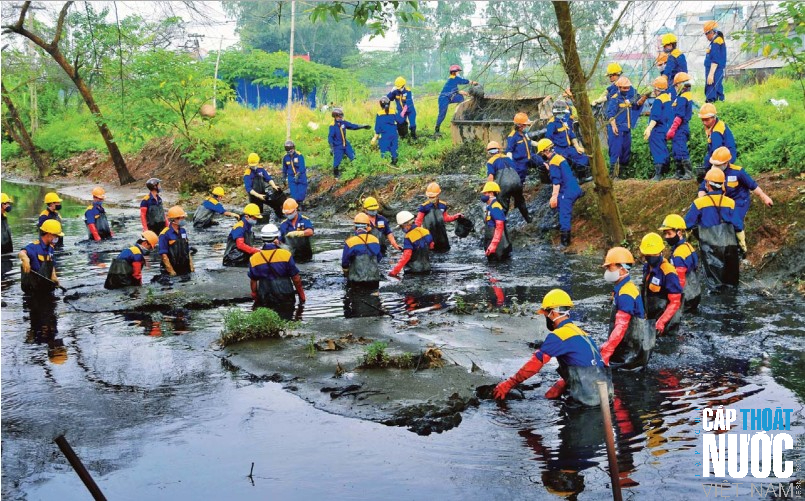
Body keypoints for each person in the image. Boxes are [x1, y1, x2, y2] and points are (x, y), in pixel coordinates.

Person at [493, 289, 609, 406]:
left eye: (545, 314)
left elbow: (533, 365)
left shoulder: (558, 336)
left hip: (586, 401)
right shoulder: (584, 334)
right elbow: (583, 367)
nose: (545, 318)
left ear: (552, 313)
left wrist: (509, 383)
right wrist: (555, 390)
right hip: (605, 397)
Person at [699, 146, 773, 256]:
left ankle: (741, 248)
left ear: (726, 163)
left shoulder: (738, 172)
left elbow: (753, 185)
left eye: (718, 165)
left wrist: (764, 197)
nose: (715, 167)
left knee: (734, 221)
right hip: (722, 202)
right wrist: (703, 202)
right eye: (714, 164)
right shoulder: (712, 173)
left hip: (739, 202)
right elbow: (702, 189)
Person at [685, 168, 743, 286]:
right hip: (730, 248)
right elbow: (738, 226)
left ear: (707, 184)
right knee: (731, 283)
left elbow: (687, 224)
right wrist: (743, 246)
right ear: (722, 185)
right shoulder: (730, 202)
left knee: (714, 284)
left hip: (710, 249)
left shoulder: (699, 203)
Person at [599, 247, 653, 371]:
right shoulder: (624, 287)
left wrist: (607, 351)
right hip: (628, 345)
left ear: (622, 270)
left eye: (609, 267)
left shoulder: (626, 294)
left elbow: (621, 326)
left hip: (631, 354)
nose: (607, 271)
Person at [248, 224, 306, 312]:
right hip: (285, 294)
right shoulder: (285, 255)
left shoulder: (254, 258)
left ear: (262, 238)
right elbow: (296, 278)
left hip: (265, 296)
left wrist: (256, 297)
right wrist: (301, 296)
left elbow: (253, 282)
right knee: (287, 319)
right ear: (276, 238)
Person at [537, 138, 583, 249]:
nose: (541, 155)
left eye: (541, 152)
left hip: (567, 192)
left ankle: (565, 242)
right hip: (576, 188)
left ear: (545, 151)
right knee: (560, 205)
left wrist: (554, 196)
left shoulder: (553, 163)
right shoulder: (559, 158)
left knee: (564, 213)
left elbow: (556, 182)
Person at [639, 232, 682, 336]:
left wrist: (661, 322)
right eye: (649, 254)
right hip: (651, 318)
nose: (652, 257)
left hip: (666, 322)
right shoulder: (647, 266)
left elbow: (675, 302)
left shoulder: (668, 272)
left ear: (661, 252)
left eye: (655, 254)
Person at [606, 77, 648, 178]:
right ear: (619, 87)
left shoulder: (628, 99)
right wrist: (613, 125)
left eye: (628, 88)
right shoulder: (615, 99)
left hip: (626, 129)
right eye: (624, 88)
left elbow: (635, 107)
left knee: (625, 151)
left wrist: (641, 101)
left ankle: (623, 174)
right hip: (617, 129)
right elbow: (610, 114)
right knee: (616, 151)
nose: (626, 90)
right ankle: (613, 175)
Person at [658, 214, 701, 312]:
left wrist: (673, 301)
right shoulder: (687, 246)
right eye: (665, 234)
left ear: (679, 233)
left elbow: (680, 281)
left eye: (669, 233)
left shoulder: (679, 254)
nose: (666, 237)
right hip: (695, 293)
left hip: (686, 298)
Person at [545, 101, 592, 184]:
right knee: (565, 165)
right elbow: (548, 140)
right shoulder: (551, 124)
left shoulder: (564, 121)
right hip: (558, 149)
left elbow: (571, 134)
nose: (562, 114)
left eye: (563, 112)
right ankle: (571, 181)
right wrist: (553, 153)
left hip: (568, 147)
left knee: (582, 157)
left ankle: (582, 178)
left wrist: (577, 146)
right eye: (560, 113)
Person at [486, 141, 531, 222]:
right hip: (517, 183)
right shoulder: (508, 158)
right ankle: (528, 220)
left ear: (489, 153)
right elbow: (516, 170)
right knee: (521, 201)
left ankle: (500, 226)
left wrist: (490, 191)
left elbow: (490, 177)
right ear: (499, 150)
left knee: (503, 206)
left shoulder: (490, 162)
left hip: (505, 186)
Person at [414, 182, 462, 253]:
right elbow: (418, 221)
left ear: (438, 195)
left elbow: (445, 218)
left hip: (442, 235)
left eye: (433, 197)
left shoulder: (443, 205)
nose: (431, 198)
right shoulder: (424, 207)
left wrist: (456, 216)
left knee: (444, 252)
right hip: (429, 235)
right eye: (429, 197)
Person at [19, 219, 63, 295]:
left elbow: (51, 264)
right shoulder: (34, 246)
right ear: (49, 234)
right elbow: (22, 252)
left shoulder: (51, 248)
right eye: (56, 235)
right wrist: (25, 259)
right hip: (32, 289)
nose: (57, 238)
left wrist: (54, 276)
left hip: (45, 287)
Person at [665, 72, 694, 181]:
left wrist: (672, 129)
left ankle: (688, 172)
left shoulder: (683, 98)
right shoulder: (682, 96)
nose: (675, 88)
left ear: (680, 84)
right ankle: (679, 172)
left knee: (681, 149)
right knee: (676, 150)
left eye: (676, 85)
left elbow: (679, 116)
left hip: (680, 128)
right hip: (678, 128)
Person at [697, 103, 737, 182]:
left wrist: (707, 168)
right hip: (726, 154)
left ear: (713, 117)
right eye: (703, 120)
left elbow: (716, 152)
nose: (704, 122)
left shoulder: (716, 133)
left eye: (707, 120)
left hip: (725, 157)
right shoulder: (717, 124)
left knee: (711, 177)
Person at [342, 213, 383, 288]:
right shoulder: (375, 240)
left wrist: (346, 273)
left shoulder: (350, 242)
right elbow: (379, 257)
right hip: (374, 280)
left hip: (356, 281)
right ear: (368, 227)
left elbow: (345, 263)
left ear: (355, 227)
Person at [644, 76, 673, 181]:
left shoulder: (658, 100)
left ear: (657, 89)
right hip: (666, 128)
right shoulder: (668, 98)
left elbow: (655, 117)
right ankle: (665, 172)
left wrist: (649, 129)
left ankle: (658, 175)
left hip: (657, 129)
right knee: (664, 149)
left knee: (657, 150)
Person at [434, 64, 477, 135]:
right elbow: (463, 81)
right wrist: (473, 82)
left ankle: (460, 113)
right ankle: (437, 129)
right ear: (454, 72)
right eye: (458, 72)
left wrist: (467, 94)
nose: (458, 73)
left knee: (460, 98)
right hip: (443, 98)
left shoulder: (453, 80)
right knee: (442, 114)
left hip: (450, 97)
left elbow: (458, 91)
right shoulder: (453, 78)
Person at [388, 210, 433, 278]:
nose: (402, 229)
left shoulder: (408, 237)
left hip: (413, 272)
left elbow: (406, 256)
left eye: (401, 226)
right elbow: (431, 246)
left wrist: (394, 272)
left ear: (406, 224)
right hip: (427, 269)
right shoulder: (425, 231)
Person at [328, 108, 371, 178]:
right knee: (337, 161)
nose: (341, 118)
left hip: (346, 144)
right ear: (335, 116)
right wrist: (331, 147)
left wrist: (362, 126)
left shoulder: (343, 122)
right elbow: (330, 137)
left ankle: (357, 171)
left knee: (353, 157)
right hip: (338, 146)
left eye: (341, 116)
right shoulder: (332, 126)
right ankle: (336, 175)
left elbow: (352, 126)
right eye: (340, 116)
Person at [479, 181, 512, 261]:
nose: (484, 195)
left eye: (486, 193)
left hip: (498, 248)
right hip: (491, 242)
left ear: (491, 194)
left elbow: (499, 226)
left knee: (496, 268)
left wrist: (493, 245)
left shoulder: (495, 207)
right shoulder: (489, 207)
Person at [158, 206, 194, 277]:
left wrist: (191, 266)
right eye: (182, 218)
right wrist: (171, 270)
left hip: (184, 267)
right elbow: (163, 255)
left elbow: (187, 250)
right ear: (174, 219)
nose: (184, 220)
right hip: (172, 269)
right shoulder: (164, 234)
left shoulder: (183, 231)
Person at [278, 198, 314, 264]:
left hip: (306, 254)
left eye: (290, 213)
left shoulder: (304, 220)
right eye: (287, 214)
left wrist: (299, 233)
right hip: (291, 256)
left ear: (295, 209)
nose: (288, 215)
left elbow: (310, 232)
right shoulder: (283, 224)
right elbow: (280, 241)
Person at [243, 152, 280, 217]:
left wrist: (273, 185)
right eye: (252, 165)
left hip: (262, 193)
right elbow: (248, 188)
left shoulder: (261, 169)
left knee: (274, 204)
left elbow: (268, 178)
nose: (253, 166)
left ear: (258, 162)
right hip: (254, 197)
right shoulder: (247, 174)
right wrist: (258, 195)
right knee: (257, 213)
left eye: (254, 164)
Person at [505, 112, 536, 185]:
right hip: (518, 164)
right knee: (519, 180)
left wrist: (539, 144)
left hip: (527, 159)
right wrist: (510, 164)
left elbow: (529, 141)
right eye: (526, 125)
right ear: (520, 126)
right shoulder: (512, 137)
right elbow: (509, 151)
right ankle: (518, 193)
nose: (528, 126)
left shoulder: (524, 134)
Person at [373, 97, 404, 165]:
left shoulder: (379, 114)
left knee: (384, 148)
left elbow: (377, 126)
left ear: (381, 105)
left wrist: (376, 135)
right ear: (389, 104)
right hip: (393, 133)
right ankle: (394, 159)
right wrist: (402, 113)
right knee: (394, 147)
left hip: (384, 134)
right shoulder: (393, 112)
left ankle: (385, 163)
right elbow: (401, 121)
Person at [703, 21, 727, 103]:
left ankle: (713, 105)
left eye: (706, 34)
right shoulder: (714, 42)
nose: (706, 36)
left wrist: (711, 74)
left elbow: (715, 59)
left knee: (713, 89)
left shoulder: (717, 41)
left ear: (711, 32)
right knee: (714, 88)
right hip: (713, 70)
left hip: (715, 70)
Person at [660, 33, 687, 99]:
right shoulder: (680, 54)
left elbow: (667, 72)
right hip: (683, 83)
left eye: (665, 46)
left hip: (674, 84)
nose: (664, 48)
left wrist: (659, 83)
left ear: (670, 45)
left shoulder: (672, 57)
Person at [282, 140, 308, 205]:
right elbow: (284, 168)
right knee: (294, 194)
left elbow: (302, 167)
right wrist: (284, 177)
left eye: (290, 149)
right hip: (291, 178)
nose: (289, 151)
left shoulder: (299, 156)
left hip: (301, 177)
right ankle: (297, 205)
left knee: (301, 193)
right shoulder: (285, 157)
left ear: (293, 148)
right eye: (287, 150)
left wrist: (298, 175)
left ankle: (301, 202)